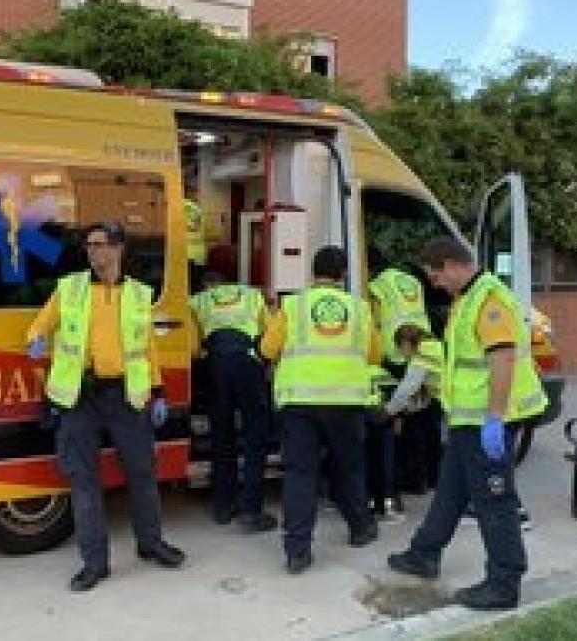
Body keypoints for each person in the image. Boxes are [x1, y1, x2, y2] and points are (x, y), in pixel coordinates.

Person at [386, 237, 548, 610]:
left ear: (451, 264)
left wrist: (494, 418)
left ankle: (504, 582)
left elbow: (503, 361)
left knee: (495, 500)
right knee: (451, 491)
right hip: (466, 420)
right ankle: (424, 554)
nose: (435, 284)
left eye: (435, 276)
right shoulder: (466, 300)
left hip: (486, 422)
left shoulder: (489, 300)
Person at [26, 221, 185, 592]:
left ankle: (151, 544)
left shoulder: (139, 295)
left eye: (99, 244)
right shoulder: (70, 288)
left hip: (127, 396)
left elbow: (148, 348)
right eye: (89, 245)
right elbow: (40, 326)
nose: (93, 251)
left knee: (143, 475)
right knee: (84, 482)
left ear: (118, 249)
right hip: (79, 398)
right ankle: (94, 563)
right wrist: (35, 342)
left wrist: (158, 393)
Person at [261, 245, 381, 574]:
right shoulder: (359, 309)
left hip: (299, 403)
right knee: (349, 469)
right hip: (346, 403)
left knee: (300, 474)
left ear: (313, 273)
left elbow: (267, 349)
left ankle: (297, 551)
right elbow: (374, 355)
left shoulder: (294, 305)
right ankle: (360, 528)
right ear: (343, 275)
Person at [189, 271, 278, 532]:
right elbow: (270, 335)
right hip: (247, 361)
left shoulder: (198, 301)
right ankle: (251, 511)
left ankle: (223, 507)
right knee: (255, 436)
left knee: (222, 436)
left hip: (215, 364)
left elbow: (194, 348)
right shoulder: (252, 296)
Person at [369, 266, 440, 499]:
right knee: (429, 429)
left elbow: (406, 390)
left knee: (415, 432)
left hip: (397, 357)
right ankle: (432, 479)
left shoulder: (377, 286)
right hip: (440, 393)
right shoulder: (412, 281)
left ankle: (417, 481)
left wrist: (388, 413)